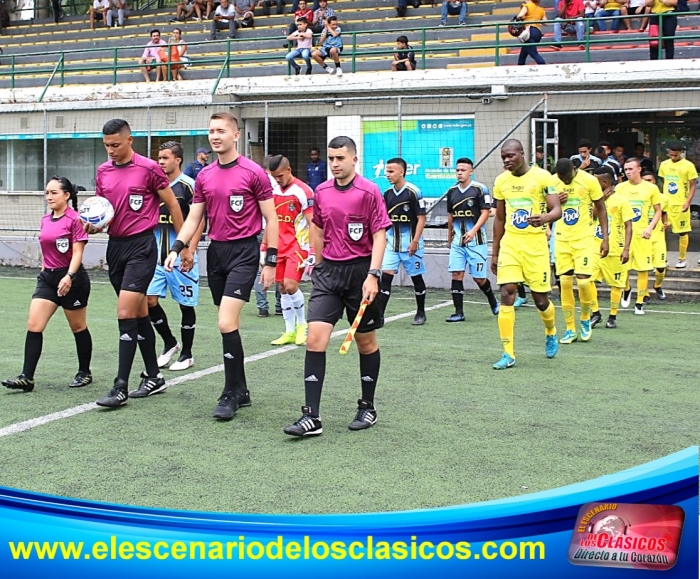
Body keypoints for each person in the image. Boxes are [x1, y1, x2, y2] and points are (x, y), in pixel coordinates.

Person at [164, 112, 278, 421]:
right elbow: (194, 217)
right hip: (216, 254)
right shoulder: (205, 175)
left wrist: (270, 260)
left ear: (235, 135)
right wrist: (178, 247)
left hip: (244, 252)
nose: (215, 136)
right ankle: (241, 390)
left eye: (221, 131)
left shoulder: (254, 172)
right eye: (211, 131)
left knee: (226, 323)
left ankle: (230, 394)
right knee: (228, 325)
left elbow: (273, 219)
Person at [283, 136, 391, 437]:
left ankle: (367, 406)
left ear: (354, 160)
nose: (334, 164)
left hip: (360, 273)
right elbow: (317, 228)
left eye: (340, 158)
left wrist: (373, 274)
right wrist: (316, 262)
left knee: (366, 343)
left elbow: (380, 235)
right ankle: (311, 417)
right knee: (314, 339)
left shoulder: (369, 191)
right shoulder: (322, 191)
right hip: (328, 273)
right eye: (331, 158)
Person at [89, 119, 186, 408]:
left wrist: (184, 245)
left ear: (130, 140)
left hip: (142, 247)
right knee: (139, 312)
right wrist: (93, 225)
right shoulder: (103, 171)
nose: (110, 150)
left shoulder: (148, 168)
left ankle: (120, 386)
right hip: (115, 247)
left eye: (115, 145)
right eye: (106, 145)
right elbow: (103, 211)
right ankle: (154, 377)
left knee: (124, 312)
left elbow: (172, 204)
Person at [2, 176, 93, 392]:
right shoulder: (45, 219)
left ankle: (84, 372)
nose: (49, 197)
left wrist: (69, 277)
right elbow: (47, 250)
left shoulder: (75, 220)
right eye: (47, 193)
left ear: (66, 195)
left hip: (73, 279)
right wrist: (45, 272)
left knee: (78, 327)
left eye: (54, 192)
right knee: (34, 325)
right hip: (48, 279)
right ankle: (27, 377)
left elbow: (78, 252)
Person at [491, 139, 562, 370]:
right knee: (507, 293)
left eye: (510, 155)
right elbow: (500, 218)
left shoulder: (543, 177)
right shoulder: (501, 181)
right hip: (511, 243)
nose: (507, 160)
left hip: (536, 246)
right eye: (503, 157)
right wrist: (495, 252)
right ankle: (508, 353)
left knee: (541, 300)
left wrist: (545, 218)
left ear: (522, 154)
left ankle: (550, 330)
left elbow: (556, 209)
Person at [147, 141, 204, 372]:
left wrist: (189, 249)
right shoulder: (153, 185)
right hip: (155, 256)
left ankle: (187, 354)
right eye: (159, 158)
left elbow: (199, 220)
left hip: (181, 256)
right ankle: (170, 343)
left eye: (165, 157)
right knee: (149, 300)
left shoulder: (189, 186)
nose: (161, 162)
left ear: (177, 160)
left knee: (185, 305)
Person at [552, 158, 608, 344]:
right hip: (561, 240)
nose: (565, 182)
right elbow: (544, 206)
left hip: (583, 239)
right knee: (565, 284)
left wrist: (605, 238)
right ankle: (570, 329)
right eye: (563, 179)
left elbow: (601, 208)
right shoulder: (553, 181)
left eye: (568, 178)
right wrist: (555, 202)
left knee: (584, 283)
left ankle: (585, 318)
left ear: (575, 169)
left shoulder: (589, 181)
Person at [267, 155, 314, 346]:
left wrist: (312, 250)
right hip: (278, 246)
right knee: (281, 288)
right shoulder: (272, 191)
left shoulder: (304, 191)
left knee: (291, 284)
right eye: (274, 176)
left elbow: (313, 223)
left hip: (298, 246)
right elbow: (270, 222)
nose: (277, 179)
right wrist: (265, 247)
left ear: (289, 170)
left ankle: (303, 325)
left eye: (279, 175)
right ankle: (289, 331)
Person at [445, 158, 499, 322]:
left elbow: (485, 212)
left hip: (477, 241)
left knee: (479, 278)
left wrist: (473, 231)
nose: (460, 173)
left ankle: (493, 301)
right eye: (457, 170)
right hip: (457, 243)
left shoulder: (480, 189)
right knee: (456, 274)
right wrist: (449, 237)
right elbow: (450, 216)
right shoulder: (452, 191)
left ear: (471, 171)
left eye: (463, 170)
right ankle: (458, 312)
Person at [377, 157, 428, 326]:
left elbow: (421, 219)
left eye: (391, 171)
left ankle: (420, 312)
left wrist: (415, 241)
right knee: (386, 277)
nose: (387, 175)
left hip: (411, 246)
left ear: (402, 172)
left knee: (416, 278)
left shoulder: (414, 192)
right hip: (392, 245)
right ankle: (380, 315)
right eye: (387, 171)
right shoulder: (387, 194)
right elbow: (384, 219)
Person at [589, 166, 634, 329]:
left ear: (606, 182)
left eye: (596, 181)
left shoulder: (621, 201)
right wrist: (600, 200)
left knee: (616, 284)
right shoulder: (594, 198)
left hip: (615, 249)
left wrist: (626, 248)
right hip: (595, 247)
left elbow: (628, 226)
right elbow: (591, 216)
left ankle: (612, 316)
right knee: (587, 280)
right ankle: (595, 312)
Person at [616, 158, 662, 315]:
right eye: (626, 169)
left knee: (643, 269)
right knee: (623, 267)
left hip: (642, 233)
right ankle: (627, 289)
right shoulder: (620, 188)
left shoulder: (651, 188)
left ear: (639, 169)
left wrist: (650, 227)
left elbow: (658, 211)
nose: (628, 172)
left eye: (630, 169)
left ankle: (640, 302)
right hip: (623, 234)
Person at [657, 140, 697, 268]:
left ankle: (682, 259)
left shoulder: (689, 166)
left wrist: (687, 202)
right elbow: (663, 183)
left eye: (676, 155)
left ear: (681, 152)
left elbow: (692, 185)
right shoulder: (664, 165)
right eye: (671, 155)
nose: (673, 157)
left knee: (682, 232)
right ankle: (662, 259)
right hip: (667, 204)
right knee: (662, 231)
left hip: (681, 204)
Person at [642, 169, 668, 300]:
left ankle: (657, 285)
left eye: (650, 180)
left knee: (661, 267)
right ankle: (644, 293)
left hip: (658, 238)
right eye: (645, 181)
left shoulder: (663, 198)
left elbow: (664, 213)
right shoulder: (637, 197)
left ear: (655, 182)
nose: (648, 183)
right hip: (643, 238)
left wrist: (666, 222)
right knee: (644, 268)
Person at [515, 0, 546, 66]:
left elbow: (520, 16)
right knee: (524, 53)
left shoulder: (527, 6)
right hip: (538, 32)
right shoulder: (541, 9)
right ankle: (520, 65)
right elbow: (545, 22)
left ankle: (543, 65)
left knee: (534, 53)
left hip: (529, 32)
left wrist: (519, 19)